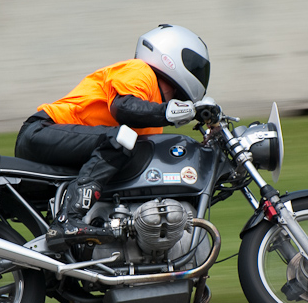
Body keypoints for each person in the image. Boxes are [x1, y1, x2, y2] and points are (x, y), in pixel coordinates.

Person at [14, 24, 211, 251]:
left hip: (72, 146)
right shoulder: (139, 71)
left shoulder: (152, 116)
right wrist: (171, 112)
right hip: (43, 131)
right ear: (173, 56)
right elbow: (124, 108)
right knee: (123, 138)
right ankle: (69, 218)